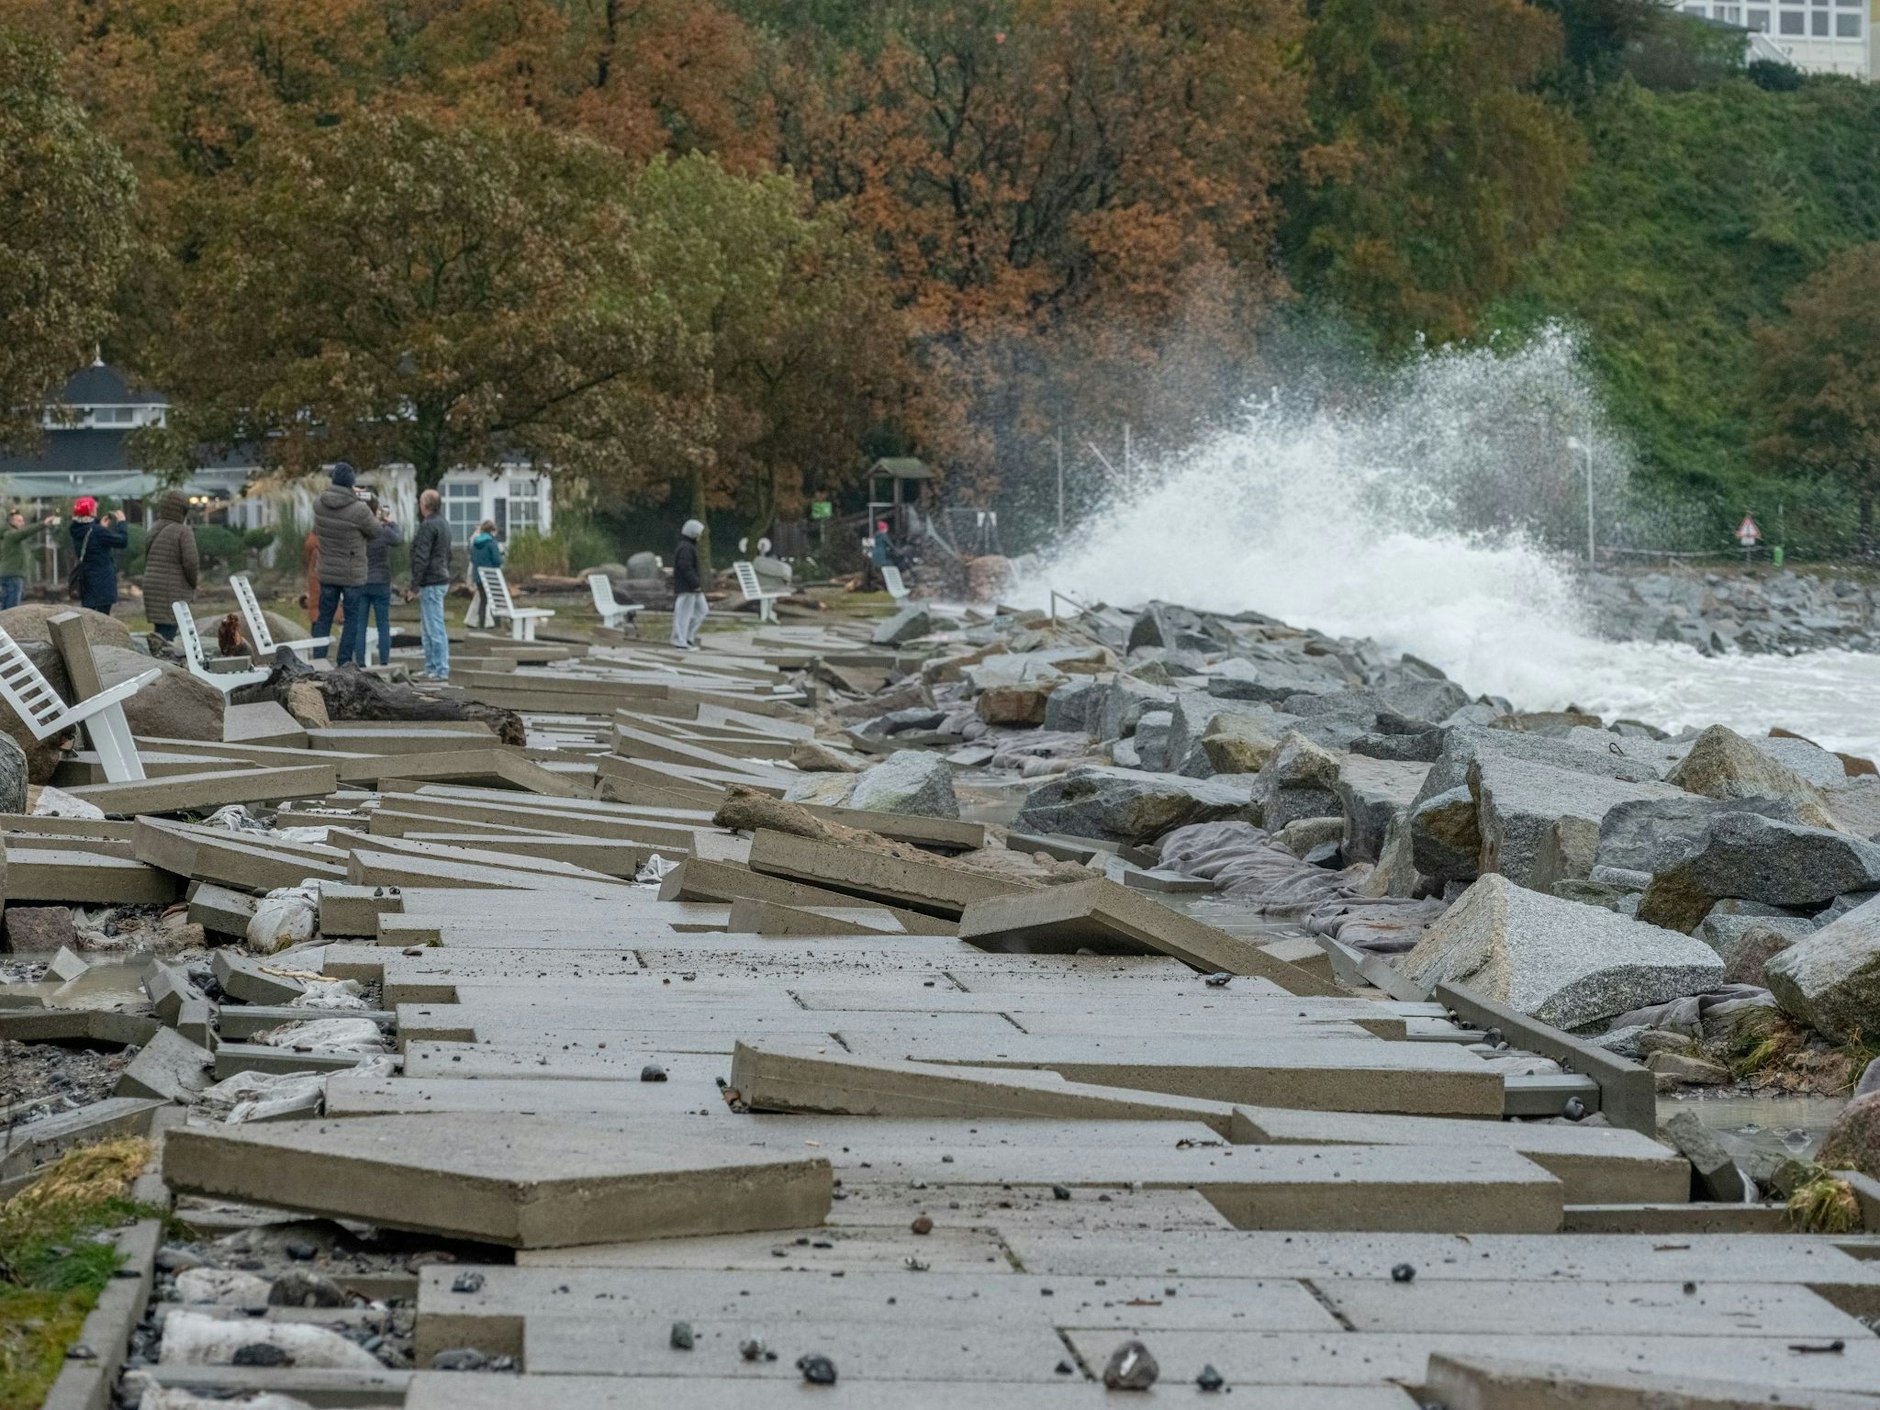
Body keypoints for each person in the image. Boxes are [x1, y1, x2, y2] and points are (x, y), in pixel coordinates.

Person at [309, 463, 378, 665]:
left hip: (327, 571)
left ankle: (319, 660)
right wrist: (364, 498)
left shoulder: (318, 504)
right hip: (351, 574)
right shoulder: (359, 510)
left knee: (324, 617)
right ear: (352, 484)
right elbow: (376, 532)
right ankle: (344, 662)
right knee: (352, 619)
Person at [140, 490, 199, 643]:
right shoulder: (183, 531)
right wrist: (193, 584)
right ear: (183, 510)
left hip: (152, 586)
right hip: (172, 589)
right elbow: (191, 563)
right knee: (169, 638)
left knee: (159, 632)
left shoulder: (153, 528)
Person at [410, 488, 453, 681]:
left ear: (425, 505)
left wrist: (414, 585)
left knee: (433, 626)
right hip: (440, 576)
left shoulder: (428, 526)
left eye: (420, 501)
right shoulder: (443, 523)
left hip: (431, 580)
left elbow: (422, 556)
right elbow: (448, 554)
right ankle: (431, 667)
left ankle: (440, 668)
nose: (419, 504)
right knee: (429, 625)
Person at [360, 493, 402, 666]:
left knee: (359, 625)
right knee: (383, 624)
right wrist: (390, 522)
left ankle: (360, 663)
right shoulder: (382, 530)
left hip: (361, 580)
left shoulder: (358, 530)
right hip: (381, 580)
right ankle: (384, 662)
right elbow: (399, 539)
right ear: (376, 510)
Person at [68, 496, 128, 615]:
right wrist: (122, 523)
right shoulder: (97, 532)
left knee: (89, 617)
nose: (96, 510)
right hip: (102, 582)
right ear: (90, 511)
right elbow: (122, 541)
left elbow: (91, 540)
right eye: (94, 508)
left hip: (86, 582)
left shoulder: (76, 530)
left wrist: (100, 526)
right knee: (102, 620)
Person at [0, 509, 50, 611]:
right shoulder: (11, 535)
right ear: (11, 522)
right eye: (19, 521)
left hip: (7, 574)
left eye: (22, 520)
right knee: (12, 609)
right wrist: (43, 524)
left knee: (5, 608)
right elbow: (26, 532)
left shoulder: (6, 537)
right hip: (13, 576)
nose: (23, 523)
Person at [670, 518, 706, 650]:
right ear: (693, 534)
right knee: (683, 614)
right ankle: (679, 640)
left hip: (692, 587)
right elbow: (685, 567)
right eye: (699, 534)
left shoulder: (688, 547)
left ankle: (688, 637)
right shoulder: (686, 548)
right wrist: (695, 583)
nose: (700, 537)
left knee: (702, 610)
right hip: (687, 587)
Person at [468, 519, 503, 629]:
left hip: (478, 577)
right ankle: (497, 625)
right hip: (491, 576)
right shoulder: (491, 543)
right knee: (495, 600)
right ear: (491, 531)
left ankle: (481, 625)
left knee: (483, 600)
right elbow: (497, 561)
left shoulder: (475, 543)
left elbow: (473, 559)